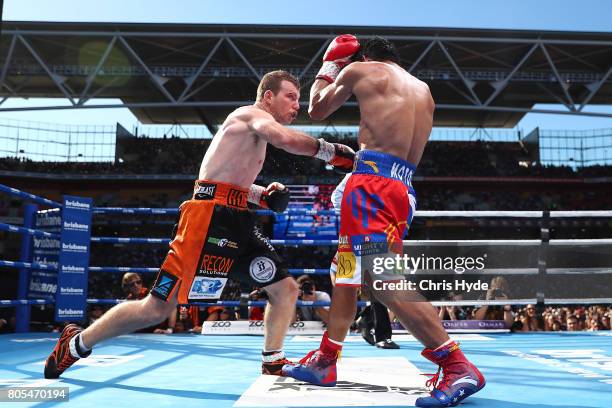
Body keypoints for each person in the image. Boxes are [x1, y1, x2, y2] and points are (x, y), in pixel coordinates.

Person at [44, 70, 355, 379]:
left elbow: (224, 182)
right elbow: (283, 139)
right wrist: (330, 150)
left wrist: (261, 195)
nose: (296, 105)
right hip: (206, 221)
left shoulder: (250, 132)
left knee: (285, 289)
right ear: (268, 97)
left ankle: (273, 359)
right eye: (290, 96)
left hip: (236, 221)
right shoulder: (251, 115)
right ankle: (76, 343)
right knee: (157, 309)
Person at [282, 36, 485, 407]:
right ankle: (326, 360)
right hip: (398, 188)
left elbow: (316, 109)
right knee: (345, 274)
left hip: (371, 192)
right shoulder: (424, 90)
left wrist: (330, 65)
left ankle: (456, 365)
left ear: (362, 56)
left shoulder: (359, 69)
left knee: (383, 280)